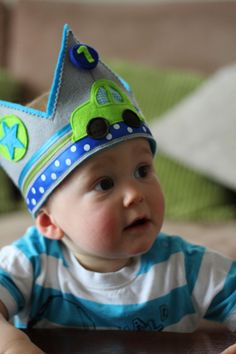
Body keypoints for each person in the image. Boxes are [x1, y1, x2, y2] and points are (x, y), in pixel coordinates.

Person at [0, 25, 235, 354]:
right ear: (50, 223)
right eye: (104, 183)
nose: (135, 194)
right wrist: (11, 343)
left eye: (142, 171)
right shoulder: (32, 261)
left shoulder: (187, 267)